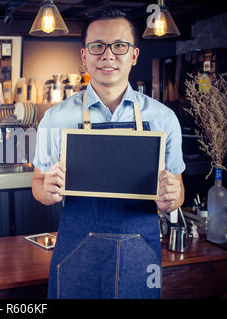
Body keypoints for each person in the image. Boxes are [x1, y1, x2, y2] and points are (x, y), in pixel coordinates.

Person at [32, 7, 185, 299]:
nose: (108, 55)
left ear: (134, 55)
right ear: (84, 56)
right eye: (97, 46)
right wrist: (48, 190)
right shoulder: (56, 118)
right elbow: (37, 184)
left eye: (119, 46)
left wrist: (171, 197)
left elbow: (178, 193)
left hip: (140, 254)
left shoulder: (164, 118)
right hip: (77, 253)